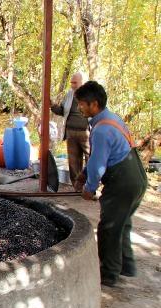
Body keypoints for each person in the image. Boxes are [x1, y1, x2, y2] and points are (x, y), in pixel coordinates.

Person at [74, 81, 147, 287]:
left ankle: (109, 274)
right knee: (122, 223)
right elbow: (99, 156)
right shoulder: (111, 119)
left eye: (81, 104)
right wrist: (83, 175)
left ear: (94, 104)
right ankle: (127, 266)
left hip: (123, 181)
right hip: (137, 177)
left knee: (109, 227)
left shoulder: (101, 130)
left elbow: (98, 165)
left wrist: (89, 188)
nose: (79, 108)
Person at [50, 72, 90, 191]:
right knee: (73, 162)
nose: (72, 85)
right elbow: (62, 110)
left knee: (91, 159)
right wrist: (52, 105)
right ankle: (77, 188)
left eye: (75, 83)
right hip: (71, 132)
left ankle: (90, 187)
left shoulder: (89, 95)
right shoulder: (69, 95)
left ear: (82, 83)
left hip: (86, 133)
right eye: (71, 82)